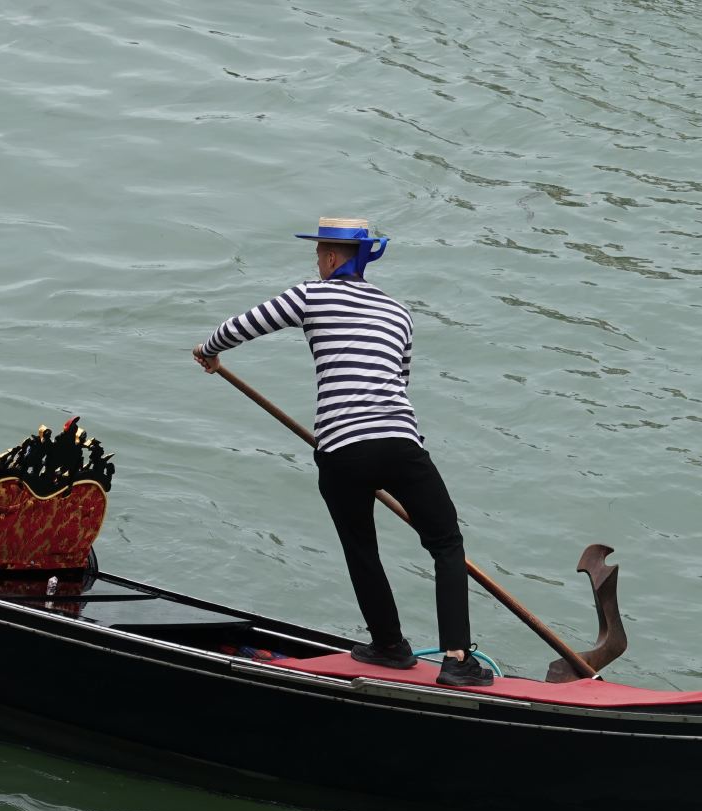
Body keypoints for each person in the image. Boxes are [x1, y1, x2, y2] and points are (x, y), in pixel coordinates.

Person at [192, 217, 492, 686]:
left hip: (341, 450)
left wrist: (209, 352)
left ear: (331, 257)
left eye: (318, 254)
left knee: (360, 546)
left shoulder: (310, 295)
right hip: (399, 442)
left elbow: (240, 326)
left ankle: (389, 646)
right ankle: (457, 660)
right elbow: (400, 380)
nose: (317, 262)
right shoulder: (399, 312)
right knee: (446, 543)